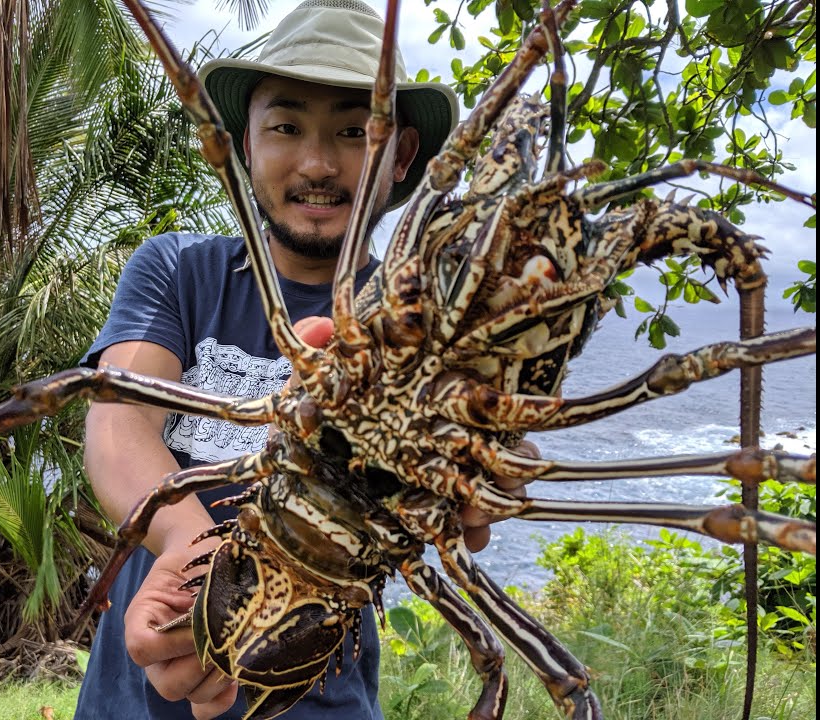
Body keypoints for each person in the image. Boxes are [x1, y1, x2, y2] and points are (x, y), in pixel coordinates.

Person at [73, 2, 526, 718]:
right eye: (286, 126)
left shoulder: (423, 321)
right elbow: (119, 420)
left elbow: (467, 486)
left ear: (400, 155)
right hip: (139, 688)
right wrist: (198, 556)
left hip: (323, 684)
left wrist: (477, 459)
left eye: (354, 131)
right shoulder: (179, 268)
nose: (318, 164)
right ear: (244, 146)